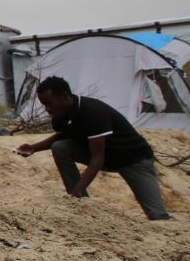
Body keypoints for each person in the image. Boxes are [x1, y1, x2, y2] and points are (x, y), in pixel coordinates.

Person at [16, 75, 172, 220]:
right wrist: (34, 148)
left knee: (157, 215)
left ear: (64, 96)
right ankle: (81, 203)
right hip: (106, 158)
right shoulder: (60, 115)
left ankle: (77, 195)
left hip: (133, 159)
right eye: (44, 104)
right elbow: (62, 136)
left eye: (49, 103)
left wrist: (79, 188)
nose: (47, 109)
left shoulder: (92, 112)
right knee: (60, 147)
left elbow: (98, 159)